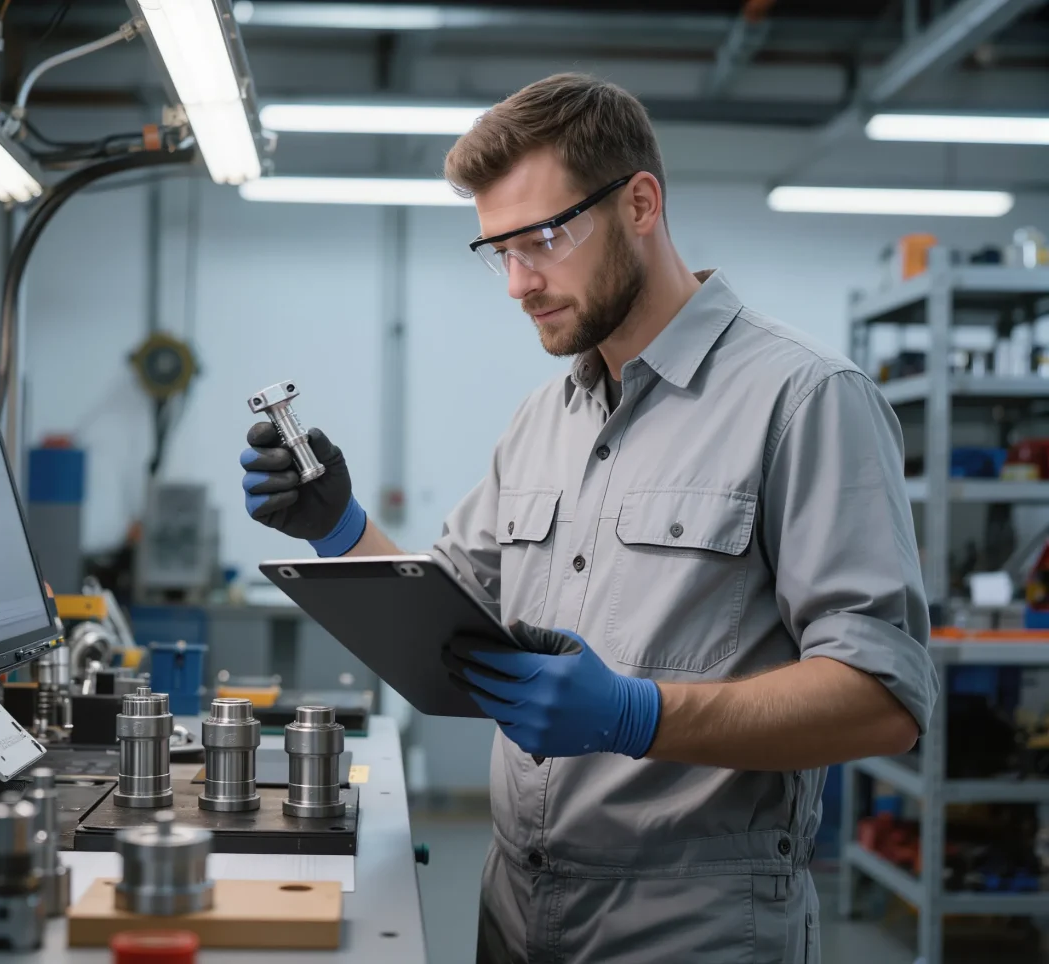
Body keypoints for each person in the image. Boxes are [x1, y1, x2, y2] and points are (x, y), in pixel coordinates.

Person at [239, 73, 939, 963]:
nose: (518, 283)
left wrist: (637, 716)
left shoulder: (804, 400)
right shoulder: (544, 419)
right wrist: (338, 530)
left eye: (541, 238)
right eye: (498, 249)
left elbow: (883, 702)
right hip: (515, 912)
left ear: (640, 203)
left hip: (693, 928)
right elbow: (450, 639)